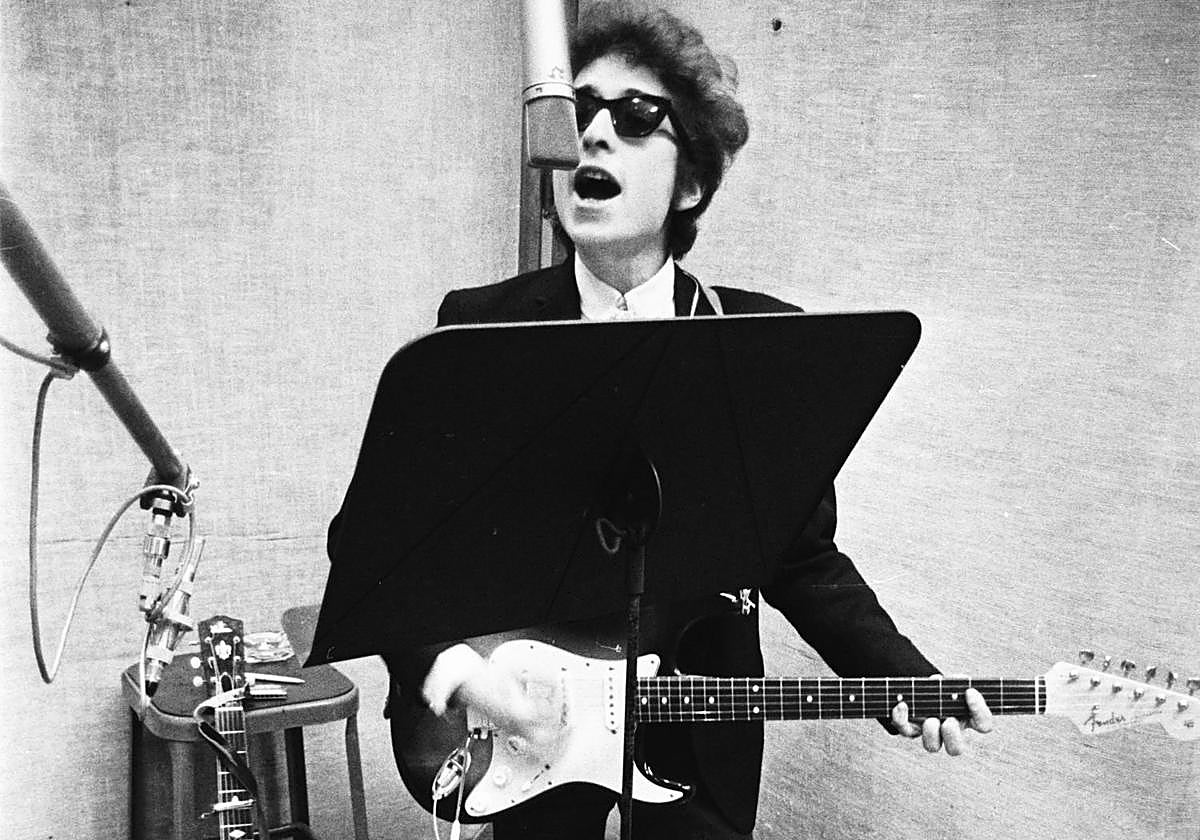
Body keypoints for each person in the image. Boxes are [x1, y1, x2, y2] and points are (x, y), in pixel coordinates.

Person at [350, 2, 993, 838]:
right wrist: (456, 670)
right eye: (579, 111)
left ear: (690, 182)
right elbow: (379, 545)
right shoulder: (478, 328)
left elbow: (800, 555)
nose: (593, 134)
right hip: (531, 738)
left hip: (701, 732)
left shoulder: (760, 340)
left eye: (634, 116)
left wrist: (902, 674)